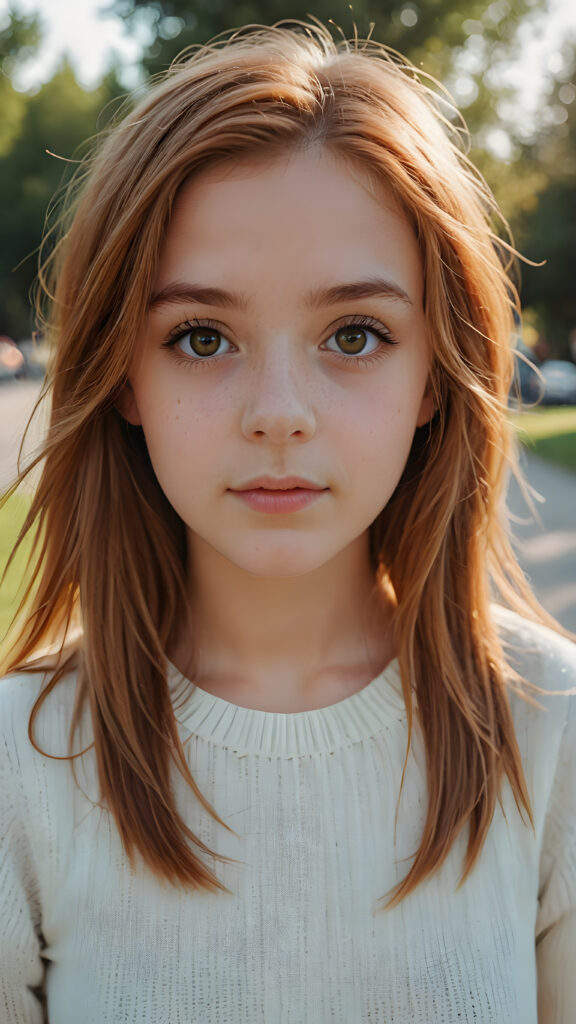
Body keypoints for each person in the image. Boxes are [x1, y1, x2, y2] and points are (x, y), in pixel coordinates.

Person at [0, 21, 574, 1024]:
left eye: (354, 334)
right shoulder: (22, 763)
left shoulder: (553, 733)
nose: (279, 410)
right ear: (123, 374)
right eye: (201, 336)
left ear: (434, 375)